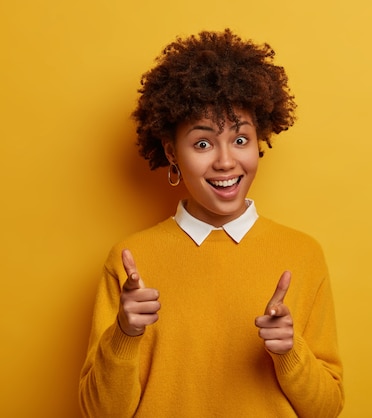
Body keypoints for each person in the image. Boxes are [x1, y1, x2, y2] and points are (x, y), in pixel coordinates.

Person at [79, 29, 344, 417]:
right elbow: (98, 414)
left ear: (259, 142)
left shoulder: (303, 254)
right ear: (172, 153)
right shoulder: (129, 259)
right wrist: (125, 334)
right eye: (203, 143)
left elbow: (328, 409)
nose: (224, 161)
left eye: (240, 140)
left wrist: (289, 352)